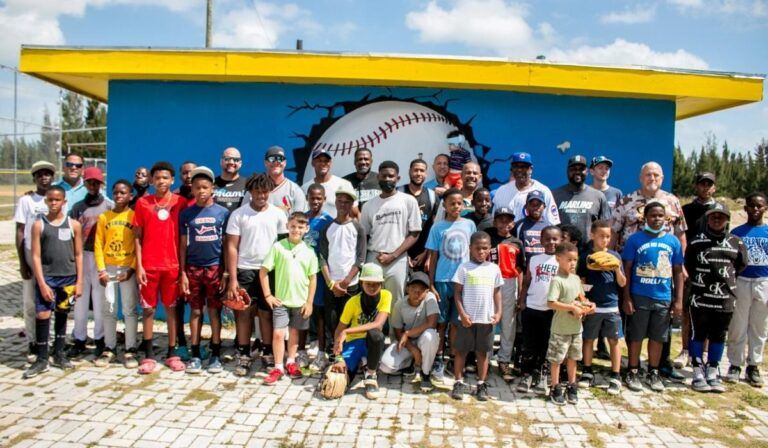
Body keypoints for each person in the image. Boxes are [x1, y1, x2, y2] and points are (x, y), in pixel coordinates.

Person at [611, 161, 688, 383]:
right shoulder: (626, 201)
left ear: (662, 178)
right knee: (634, 320)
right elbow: (614, 231)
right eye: (647, 174)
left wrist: (681, 265)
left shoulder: (672, 201)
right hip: (631, 270)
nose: (651, 178)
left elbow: (681, 234)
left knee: (661, 323)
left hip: (663, 273)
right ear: (640, 177)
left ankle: (661, 366)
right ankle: (633, 365)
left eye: (656, 174)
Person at [225, 173, 288, 376]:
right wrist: (233, 278)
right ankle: (244, 354)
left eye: (265, 192)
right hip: (245, 270)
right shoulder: (239, 214)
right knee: (244, 313)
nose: (261, 195)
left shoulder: (278, 214)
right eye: (257, 192)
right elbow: (232, 247)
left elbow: (283, 246)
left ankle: (267, 353)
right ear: (250, 192)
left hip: (269, 271)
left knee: (266, 313)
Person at [621, 201, 684, 392]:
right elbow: (627, 269)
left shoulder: (672, 241)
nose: (657, 219)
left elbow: (678, 271)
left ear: (666, 218)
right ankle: (633, 369)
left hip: (663, 296)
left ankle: (653, 371)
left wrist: (678, 300)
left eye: (660, 216)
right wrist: (627, 298)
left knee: (658, 337)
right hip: (639, 295)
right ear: (645, 218)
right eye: (653, 216)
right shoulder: (635, 240)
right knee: (636, 335)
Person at [685, 203, 747, 393]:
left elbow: (741, 266)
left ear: (727, 219)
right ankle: (697, 370)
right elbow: (689, 265)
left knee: (719, 335)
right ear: (708, 219)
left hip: (725, 299)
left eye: (721, 216)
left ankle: (712, 370)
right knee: (698, 334)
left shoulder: (737, 242)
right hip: (700, 298)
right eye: (713, 216)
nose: (717, 219)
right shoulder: (696, 241)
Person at [133, 161, 188, 374]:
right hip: (149, 265)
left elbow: (184, 238)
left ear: (172, 180)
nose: (161, 181)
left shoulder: (180, 202)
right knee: (148, 310)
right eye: (157, 178)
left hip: (172, 266)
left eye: (165, 178)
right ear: (151, 180)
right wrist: (139, 266)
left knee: (172, 310)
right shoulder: (143, 203)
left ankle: (172, 353)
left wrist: (182, 269)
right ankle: (148, 355)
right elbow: (137, 237)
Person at [24, 186, 83, 378]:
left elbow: (79, 254)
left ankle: (59, 353)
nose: (54, 203)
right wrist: (41, 283)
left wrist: (79, 281)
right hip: (47, 277)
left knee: (63, 313)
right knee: (42, 314)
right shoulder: (38, 225)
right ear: (46, 201)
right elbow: (35, 256)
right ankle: (41, 358)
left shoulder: (73, 224)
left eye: (58, 200)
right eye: (50, 200)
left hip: (68, 278)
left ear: (64, 201)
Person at [178, 167, 229, 374]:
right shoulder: (186, 214)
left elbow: (226, 245)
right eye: (197, 187)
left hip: (215, 269)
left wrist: (225, 272)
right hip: (192, 269)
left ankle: (216, 352)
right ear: (192, 189)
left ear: (212, 189)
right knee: (196, 311)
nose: (201, 191)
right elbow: (182, 244)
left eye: (205, 187)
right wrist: (182, 273)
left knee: (215, 311)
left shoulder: (223, 213)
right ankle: (196, 353)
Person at [260, 212, 319, 385]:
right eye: (293, 226)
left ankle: (291, 362)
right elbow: (263, 271)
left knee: (294, 333)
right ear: (287, 226)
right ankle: (278, 366)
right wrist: (268, 295)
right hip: (281, 301)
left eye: (300, 227)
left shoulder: (309, 252)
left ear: (306, 229)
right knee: (278, 333)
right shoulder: (278, 247)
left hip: (300, 302)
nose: (296, 230)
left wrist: (309, 302)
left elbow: (313, 278)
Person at [426, 188, 476, 383]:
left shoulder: (470, 225)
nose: (456, 206)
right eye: (451, 203)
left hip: (461, 281)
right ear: (444, 205)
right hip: (442, 280)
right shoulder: (437, 228)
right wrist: (431, 284)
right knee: (441, 322)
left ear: (463, 205)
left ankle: (453, 357)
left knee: (456, 322)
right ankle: (438, 357)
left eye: (459, 203)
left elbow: (472, 253)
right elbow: (433, 256)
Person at [450, 231, 503, 401]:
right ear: (470, 248)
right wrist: (462, 314)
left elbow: (497, 293)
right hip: (467, 319)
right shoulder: (464, 268)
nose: (481, 252)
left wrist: (499, 312)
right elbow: (457, 294)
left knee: (483, 353)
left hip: (486, 319)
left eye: (485, 248)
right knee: (461, 351)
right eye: (477, 248)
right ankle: (458, 382)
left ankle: (481, 384)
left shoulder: (494, 269)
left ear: (490, 249)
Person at [361, 161, 421, 306]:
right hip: (374, 258)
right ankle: (373, 329)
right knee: (371, 301)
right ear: (378, 178)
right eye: (384, 176)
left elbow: (415, 233)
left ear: (398, 178)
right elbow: (364, 236)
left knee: (396, 302)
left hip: (397, 259)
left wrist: (393, 255)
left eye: (391, 176)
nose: (387, 179)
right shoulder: (369, 205)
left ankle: (394, 330)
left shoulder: (408, 200)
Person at [68, 167, 113, 360]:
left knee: (100, 297)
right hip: (82, 255)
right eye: (89, 182)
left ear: (101, 184)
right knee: (81, 298)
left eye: (96, 182)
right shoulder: (78, 207)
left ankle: (100, 338)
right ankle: (79, 338)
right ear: (85, 184)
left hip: (101, 256)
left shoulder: (109, 205)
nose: (93, 186)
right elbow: (71, 233)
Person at [318, 187, 366, 370]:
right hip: (331, 284)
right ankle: (334, 353)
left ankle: (349, 353)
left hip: (351, 285)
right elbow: (322, 257)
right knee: (333, 319)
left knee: (351, 320)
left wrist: (346, 281)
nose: (343, 205)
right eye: (340, 201)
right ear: (335, 202)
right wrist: (332, 283)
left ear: (352, 205)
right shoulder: (327, 228)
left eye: (347, 202)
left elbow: (360, 258)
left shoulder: (358, 227)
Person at [93, 179, 139, 369]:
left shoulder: (134, 216)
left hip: (127, 269)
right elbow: (98, 244)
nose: (119, 196)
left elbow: (138, 244)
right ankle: (109, 347)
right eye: (116, 193)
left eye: (123, 193)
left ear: (130, 196)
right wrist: (102, 270)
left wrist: (132, 268)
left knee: (129, 309)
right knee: (109, 309)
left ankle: (130, 348)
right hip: (109, 269)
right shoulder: (104, 217)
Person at [577, 220, 626, 395]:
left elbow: (622, 283)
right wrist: (585, 299)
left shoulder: (615, 256)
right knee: (588, 339)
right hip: (592, 307)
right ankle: (587, 371)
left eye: (607, 236)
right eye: (601, 236)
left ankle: (615, 375)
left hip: (611, 305)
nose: (604, 240)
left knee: (614, 341)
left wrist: (617, 269)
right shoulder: (585, 257)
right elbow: (581, 281)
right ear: (592, 235)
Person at [15, 161, 56, 362]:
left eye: (48, 173)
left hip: (53, 256)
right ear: (34, 178)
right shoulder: (27, 201)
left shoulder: (57, 198)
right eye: (39, 174)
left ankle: (52, 340)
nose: (44, 177)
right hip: (32, 254)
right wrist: (23, 262)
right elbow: (20, 231)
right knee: (31, 301)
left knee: (53, 299)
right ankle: (33, 341)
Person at [676, 172, 718, 368]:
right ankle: (685, 350)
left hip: (712, 267)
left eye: (709, 184)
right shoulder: (686, 209)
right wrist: (682, 265)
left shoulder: (720, 210)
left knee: (707, 311)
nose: (705, 188)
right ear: (696, 186)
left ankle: (704, 352)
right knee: (687, 310)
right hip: (690, 267)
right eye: (702, 184)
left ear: (714, 187)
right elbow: (681, 238)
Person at [727, 192, 768, 387]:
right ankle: (735, 364)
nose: (755, 209)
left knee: (759, 327)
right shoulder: (736, 232)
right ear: (745, 209)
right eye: (751, 206)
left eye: (759, 206)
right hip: (742, 281)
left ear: (765, 208)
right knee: (738, 325)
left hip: (763, 281)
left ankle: (754, 365)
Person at [333, 263, 391, 400]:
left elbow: (378, 324)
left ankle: (371, 375)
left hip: (372, 343)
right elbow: (339, 331)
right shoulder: (352, 302)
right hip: (354, 342)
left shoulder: (386, 296)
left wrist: (348, 331)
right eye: (368, 283)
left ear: (382, 284)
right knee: (339, 381)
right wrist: (338, 358)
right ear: (361, 283)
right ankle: (359, 364)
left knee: (376, 334)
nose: (372, 287)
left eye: (376, 284)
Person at [547, 242, 595, 405]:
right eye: (569, 260)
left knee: (573, 357)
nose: (573, 263)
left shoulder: (575, 279)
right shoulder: (557, 280)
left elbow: (581, 299)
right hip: (561, 328)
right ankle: (555, 387)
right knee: (557, 359)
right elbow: (551, 303)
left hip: (576, 328)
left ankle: (572, 386)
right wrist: (571, 308)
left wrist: (589, 305)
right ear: (558, 259)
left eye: (575, 260)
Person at [517, 225, 562, 395]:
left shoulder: (562, 261)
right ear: (541, 241)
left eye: (555, 239)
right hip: (532, 307)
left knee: (546, 344)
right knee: (529, 343)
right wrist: (522, 300)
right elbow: (527, 282)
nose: (551, 242)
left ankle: (542, 374)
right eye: (547, 239)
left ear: (561, 240)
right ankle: (527, 374)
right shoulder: (535, 259)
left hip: (551, 311)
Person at [380, 271, 439, 393]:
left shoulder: (430, 299)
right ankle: (410, 363)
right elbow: (397, 332)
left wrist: (407, 334)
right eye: (413, 288)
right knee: (385, 366)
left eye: (421, 290)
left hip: (422, 339)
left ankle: (425, 372)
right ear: (407, 289)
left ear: (427, 291)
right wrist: (413, 350)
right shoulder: (399, 305)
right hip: (407, 343)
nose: (416, 292)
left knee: (431, 336)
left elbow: (431, 323)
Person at [486, 207, 525, 382]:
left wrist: (521, 292)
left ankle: (504, 360)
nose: (504, 224)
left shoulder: (516, 242)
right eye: (501, 220)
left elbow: (520, 269)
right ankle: (485, 358)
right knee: (489, 320)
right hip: (489, 281)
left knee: (508, 323)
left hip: (509, 282)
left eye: (508, 220)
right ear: (494, 222)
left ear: (513, 223)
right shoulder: (488, 238)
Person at [303, 183, 334, 365]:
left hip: (320, 274)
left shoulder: (328, 221)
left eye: (319, 198)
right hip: (301, 273)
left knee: (321, 313)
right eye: (312, 198)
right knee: (302, 311)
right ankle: (300, 350)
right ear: (307, 197)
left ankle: (322, 351)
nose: (315, 201)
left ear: (324, 199)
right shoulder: (301, 219)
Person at [552, 155, 611, 245]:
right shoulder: (555, 195)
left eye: (581, 169)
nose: (577, 172)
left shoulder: (598, 196)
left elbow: (605, 227)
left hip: (589, 252)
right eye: (573, 169)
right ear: (567, 171)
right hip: (562, 252)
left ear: (587, 172)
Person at [491, 152, 560, 226]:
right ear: (511, 169)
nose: (520, 170)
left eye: (524, 167)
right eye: (516, 166)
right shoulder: (502, 191)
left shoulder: (543, 191)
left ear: (531, 169)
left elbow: (553, 223)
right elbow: (494, 222)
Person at [398, 158, 438, 272]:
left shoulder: (432, 196)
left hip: (423, 256)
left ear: (426, 173)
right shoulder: (398, 193)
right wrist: (402, 253)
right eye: (415, 170)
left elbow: (435, 229)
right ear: (409, 171)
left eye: (422, 170)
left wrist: (426, 254)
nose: (418, 173)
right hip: (399, 255)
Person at [301, 148, 355, 218]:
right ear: (313, 163)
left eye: (326, 161)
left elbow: (354, 214)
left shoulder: (344, 184)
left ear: (330, 163)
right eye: (319, 161)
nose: (323, 164)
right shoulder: (304, 188)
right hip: (312, 228)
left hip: (336, 228)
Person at [265, 146, 307, 215]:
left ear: (285, 163)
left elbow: (300, 221)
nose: (276, 162)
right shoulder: (256, 189)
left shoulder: (295, 190)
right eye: (272, 159)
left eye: (280, 159)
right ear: (265, 162)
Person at [513, 190, 548, 265]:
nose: (535, 207)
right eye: (532, 204)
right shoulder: (518, 225)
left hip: (544, 269)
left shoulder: (550, 227)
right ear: (526, 207)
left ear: (544, 206)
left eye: (538, 204)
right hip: (525, 269)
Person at [214, 147, 248, 213]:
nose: (231, 162)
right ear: (221, 161)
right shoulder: (211, 184)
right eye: (227, 159)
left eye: (236, 160)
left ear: (240, 163)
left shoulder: (248, 184)